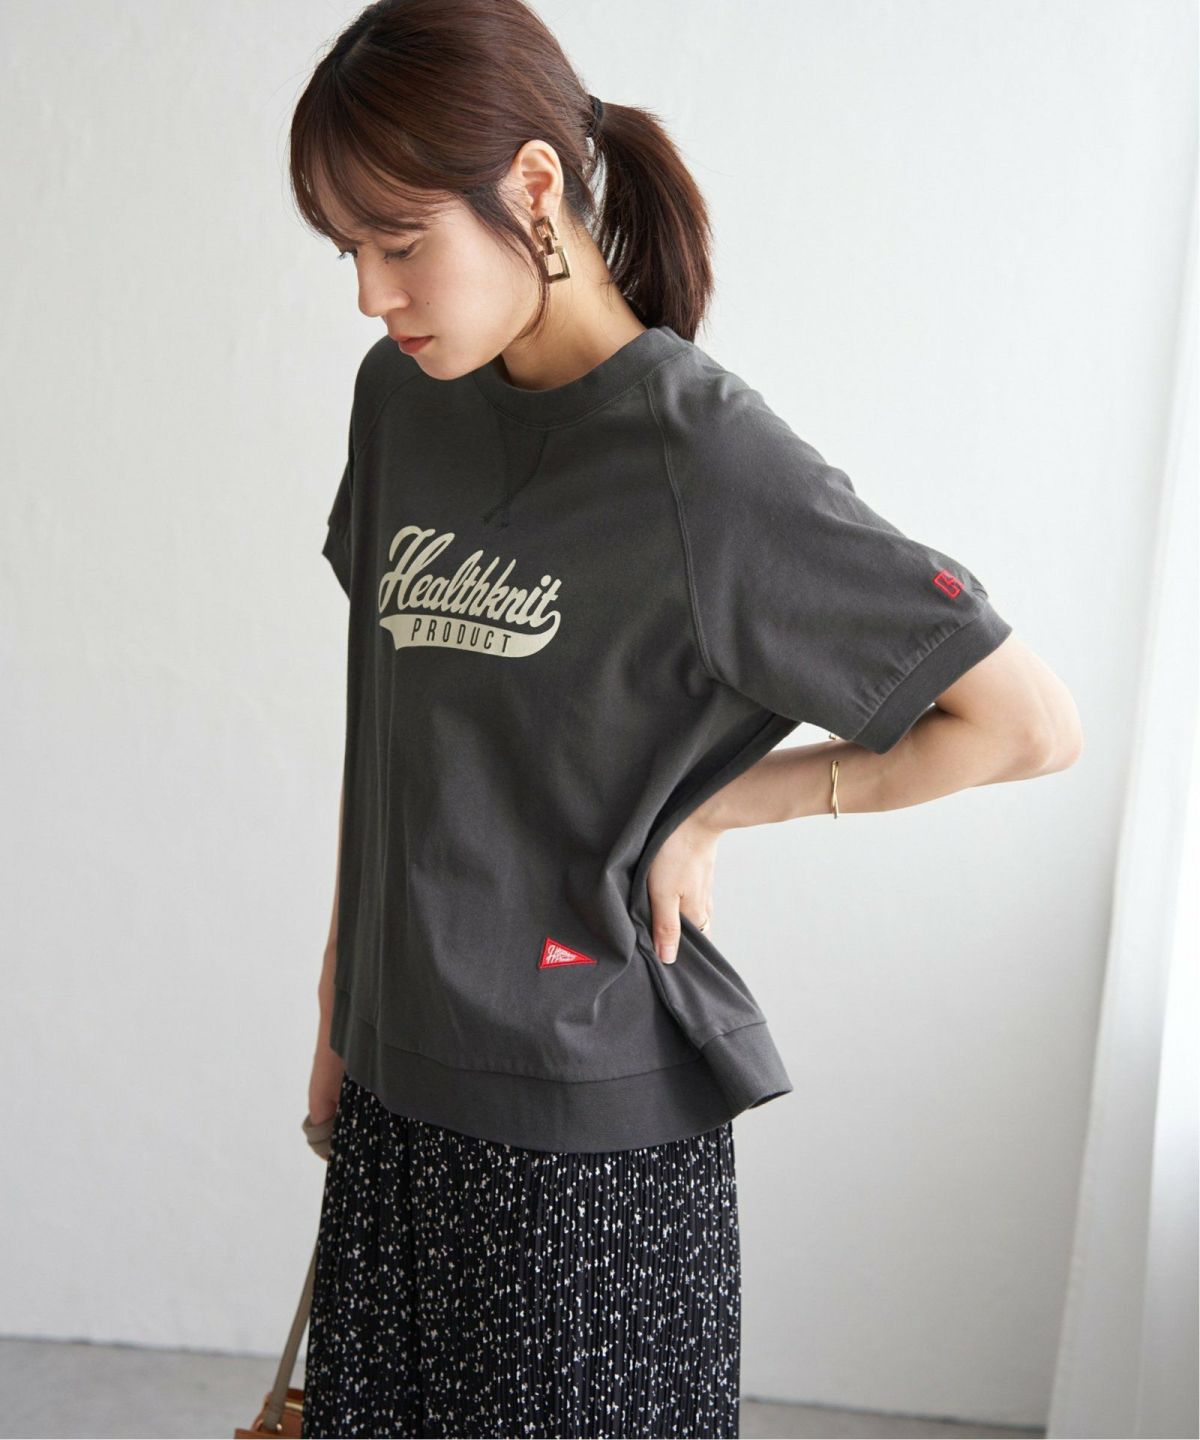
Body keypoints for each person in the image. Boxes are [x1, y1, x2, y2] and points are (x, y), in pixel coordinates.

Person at [287, 2, 1083, 1436]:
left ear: (534, 187)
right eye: (346, 250)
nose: (368, 294)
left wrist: (727, 805)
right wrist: (346, 1001)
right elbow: (385, 724)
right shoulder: (403, 399)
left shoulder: (703, 460)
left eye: (398, 243)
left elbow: (1021, 721)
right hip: (402, 1100)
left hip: (586, 1155)